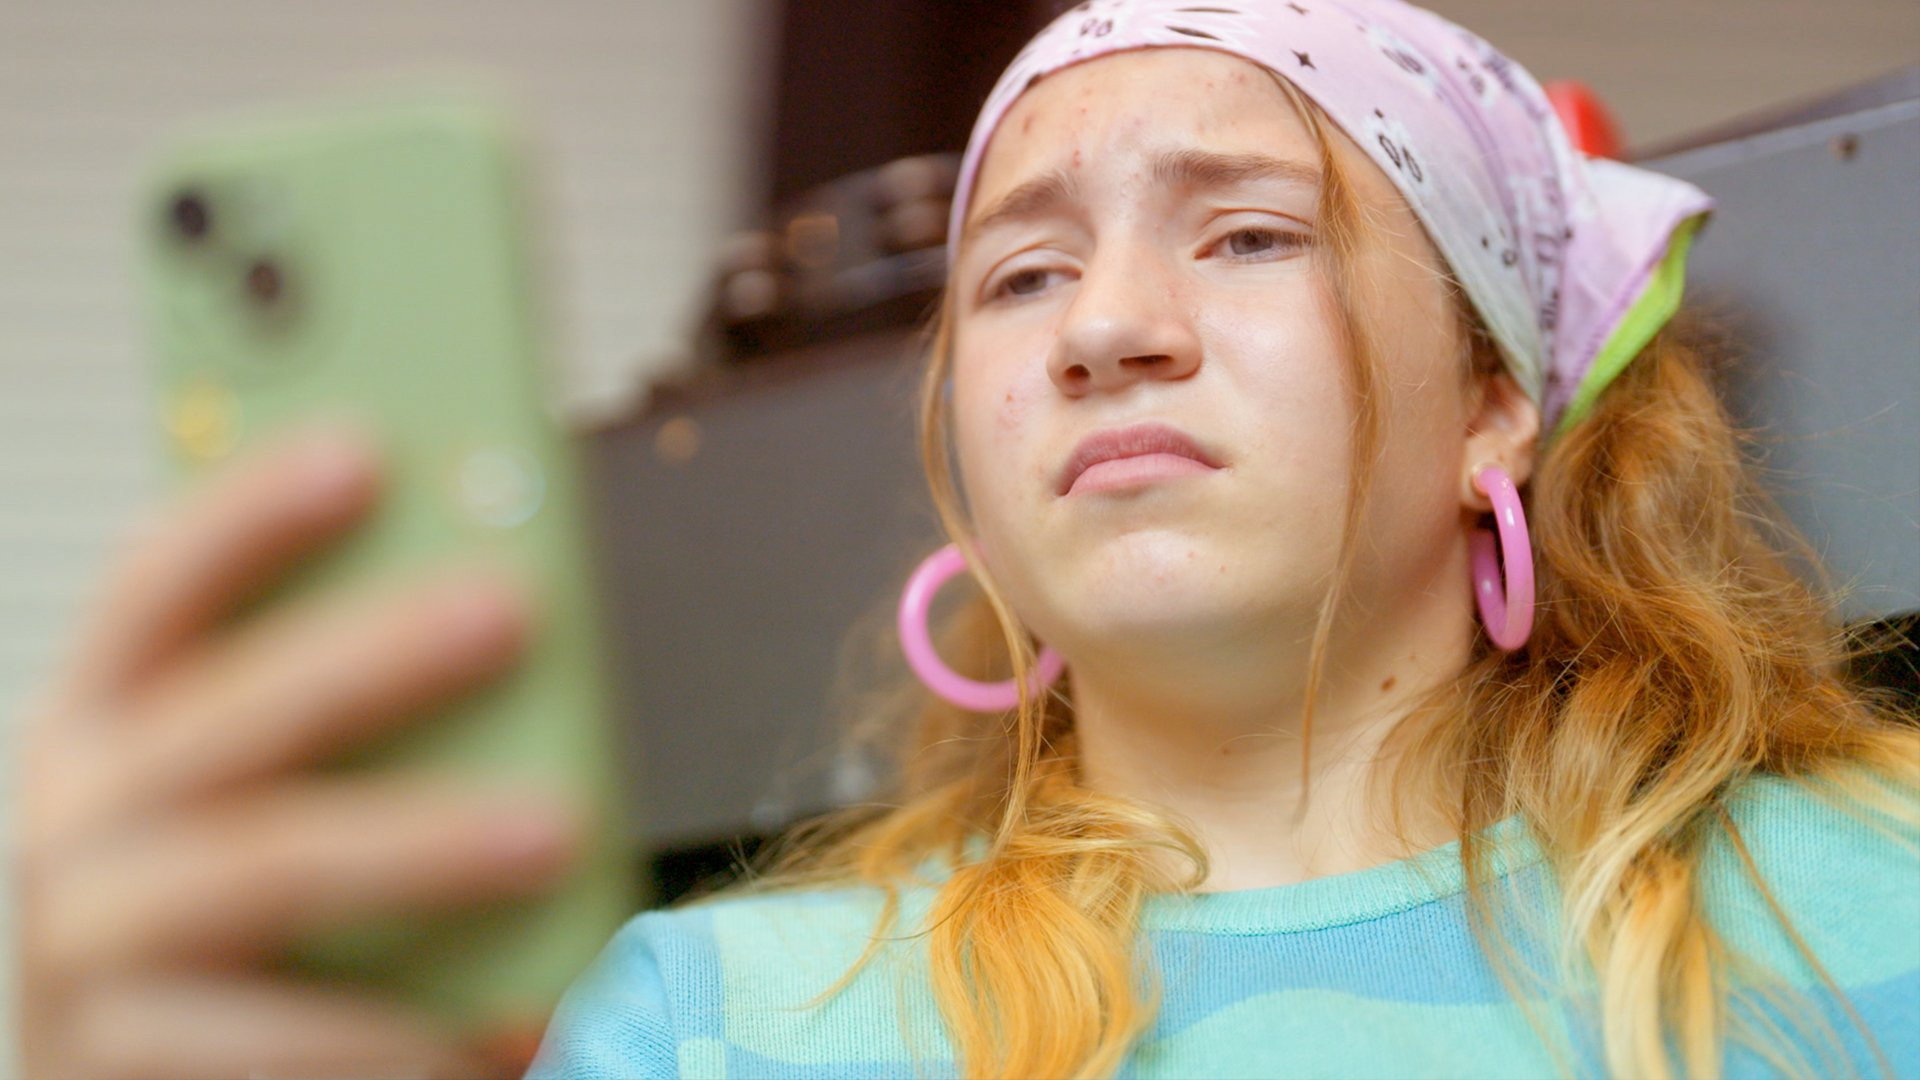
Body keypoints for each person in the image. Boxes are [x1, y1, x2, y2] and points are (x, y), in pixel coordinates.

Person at [13, 3, 1915, 1079]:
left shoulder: (1877, 909)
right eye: (1021, 277)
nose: (1108, 328)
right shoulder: (711, 1028)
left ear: (1495, 397)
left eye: (1247, 233)